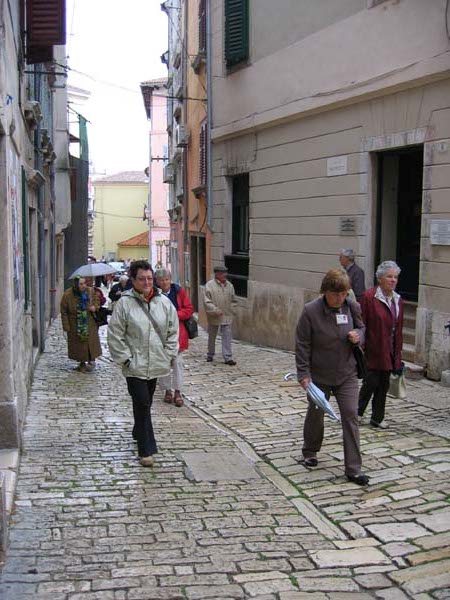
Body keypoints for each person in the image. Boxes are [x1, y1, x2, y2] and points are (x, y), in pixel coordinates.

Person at [295, 269, 369, 486]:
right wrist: (303, 374)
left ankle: (354, 469)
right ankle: (310, 450)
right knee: (316, 413)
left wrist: (359, 336)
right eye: (336, 294)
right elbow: (302, 344)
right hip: (319, 375)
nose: (340, 298)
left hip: (347, 373)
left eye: (344, 293)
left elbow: (363, 328)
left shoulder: (351, 307)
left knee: (350, 415)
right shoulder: (310, 311)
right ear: (325, 291)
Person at [107, 260, 179, 467]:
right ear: (133, 280)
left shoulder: (164, 303)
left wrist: (168, 354)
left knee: (144, 401)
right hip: (134, 365)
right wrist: (125, 358)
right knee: (143, 402)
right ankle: (146, 450)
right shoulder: (124, 304)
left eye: (149, 278)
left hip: (156, 362)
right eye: (142, 279)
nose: (146, 282)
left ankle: (138, 430)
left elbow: (173, 330)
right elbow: (115, 334)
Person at [358, 260, 404, 429]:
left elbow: (398, 329)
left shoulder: (398, 300)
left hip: (390, 350)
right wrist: (361, 348)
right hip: (373, 348)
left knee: (384, 384)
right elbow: (362, 323)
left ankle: (377, 417)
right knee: (370, 382)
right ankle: (358, 413)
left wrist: (398, 354)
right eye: (389, 276)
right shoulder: (369, 297)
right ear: (380, 279)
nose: (393, 280)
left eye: (396, 277)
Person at [154, 268, 194, 407]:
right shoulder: (154, 294)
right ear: (157, 281)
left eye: (166, 279)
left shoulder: (178, 291)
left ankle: (178, 391)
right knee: (164, 363)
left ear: (170, 280)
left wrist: (176, 315)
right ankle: (167, 391)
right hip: (160, 334)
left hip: (178, 333)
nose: (164, 282)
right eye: (161, 280)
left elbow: (189, 309)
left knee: (177, 363)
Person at [60, 276, 102, 373]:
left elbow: (97, 301)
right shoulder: (68, 295)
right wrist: (66, 326)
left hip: (89, 322)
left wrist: (94, 307)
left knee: (89, 343)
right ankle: (82, 363)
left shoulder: (90, 291)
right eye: (81, 284)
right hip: (75, 323)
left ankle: (90, 361)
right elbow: (64, 311)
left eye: (84, 283)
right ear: (76, 285)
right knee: (79, 345)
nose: (84, 286)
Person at [204, 265, 238, 365]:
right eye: (222, 273)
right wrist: (214, 310)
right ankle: (210, 354)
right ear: (217, 274)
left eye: (225, 273)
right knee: (212, 335)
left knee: (227, 336)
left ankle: (228, 357)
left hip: (226, 314)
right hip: (214, 315)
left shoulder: (229, 286)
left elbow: (233, 300)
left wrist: (232, 310)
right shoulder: (209, 285)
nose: (225, 275)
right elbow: (207, 301)